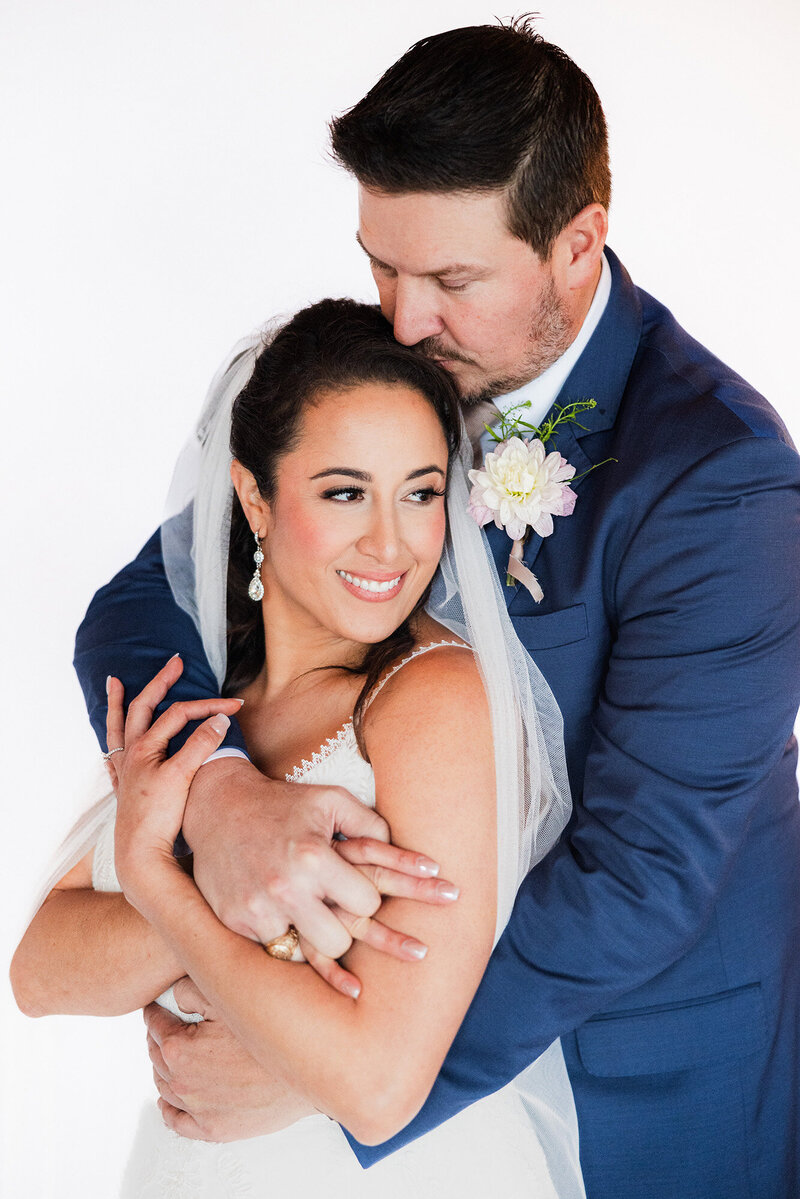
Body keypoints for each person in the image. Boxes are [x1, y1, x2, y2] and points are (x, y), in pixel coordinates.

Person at [66, 18, 800, 1199]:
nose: (403, 323)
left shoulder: (720, 478)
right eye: (379, 265)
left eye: (451, 280)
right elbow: (134, 609)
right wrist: (218, 789)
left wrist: (341, 1066)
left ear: (577, 242)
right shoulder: (389, 371)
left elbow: (643, 872)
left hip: (637, 1072)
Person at [12, 298, 578, 1197]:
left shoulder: (432, 700)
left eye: (421, 492)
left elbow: (378, 1085)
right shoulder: (207, 696)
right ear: (252, 496)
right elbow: (40, 969)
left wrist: (159, 877)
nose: (391, 542)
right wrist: (226, 890)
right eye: (345, 491)